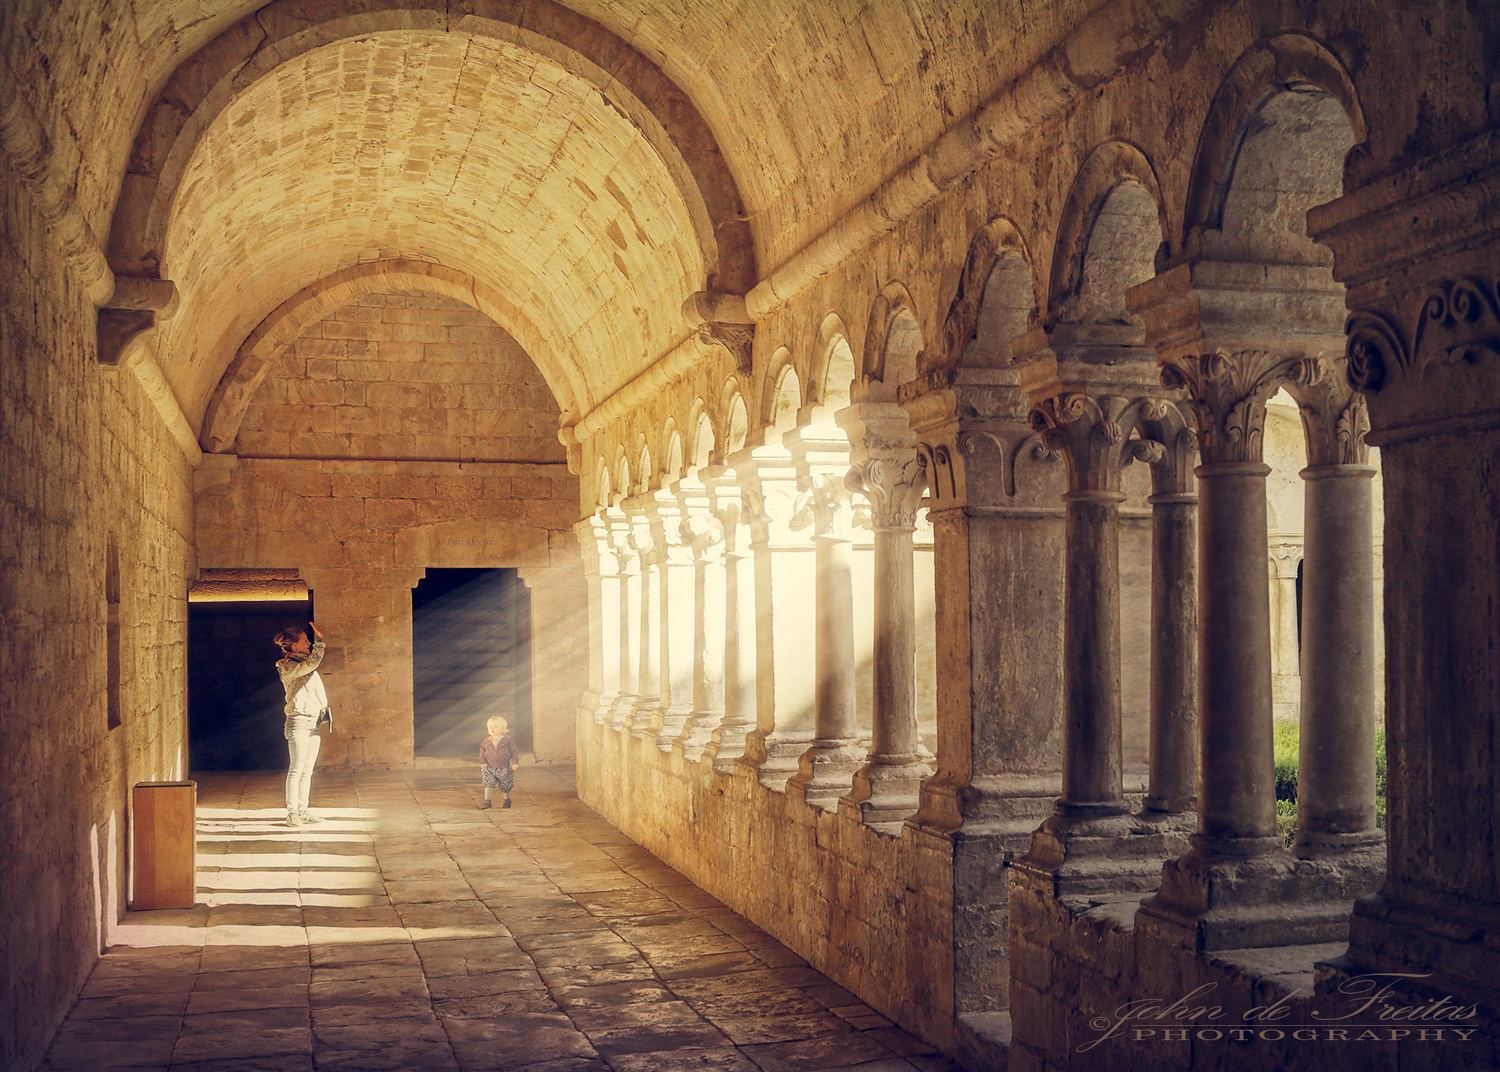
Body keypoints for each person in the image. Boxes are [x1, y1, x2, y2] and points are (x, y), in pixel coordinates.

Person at [274, 622, 329, 827]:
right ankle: (292, 814)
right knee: (296, 769)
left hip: (312, 721)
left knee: (307, 770)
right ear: (295, 646)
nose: (309, 644)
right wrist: (320, 643)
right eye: (306, 641)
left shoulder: (305, 662)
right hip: (298, 722)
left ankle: (303, 810)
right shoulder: (287, 666)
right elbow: (312, 664)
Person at [480, 715, 519, 810]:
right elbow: (482, 752)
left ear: (502, 729)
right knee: (488, 783)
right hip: (489, 768)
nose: (492, 728)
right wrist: (483, 762)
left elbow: (514, 751)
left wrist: (514, 762)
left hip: (504, 767)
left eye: (495, 726)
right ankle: (487, 801)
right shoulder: (486, 741)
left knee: (505, 784)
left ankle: (507, 800)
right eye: (490, 726)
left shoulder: (507, 740)